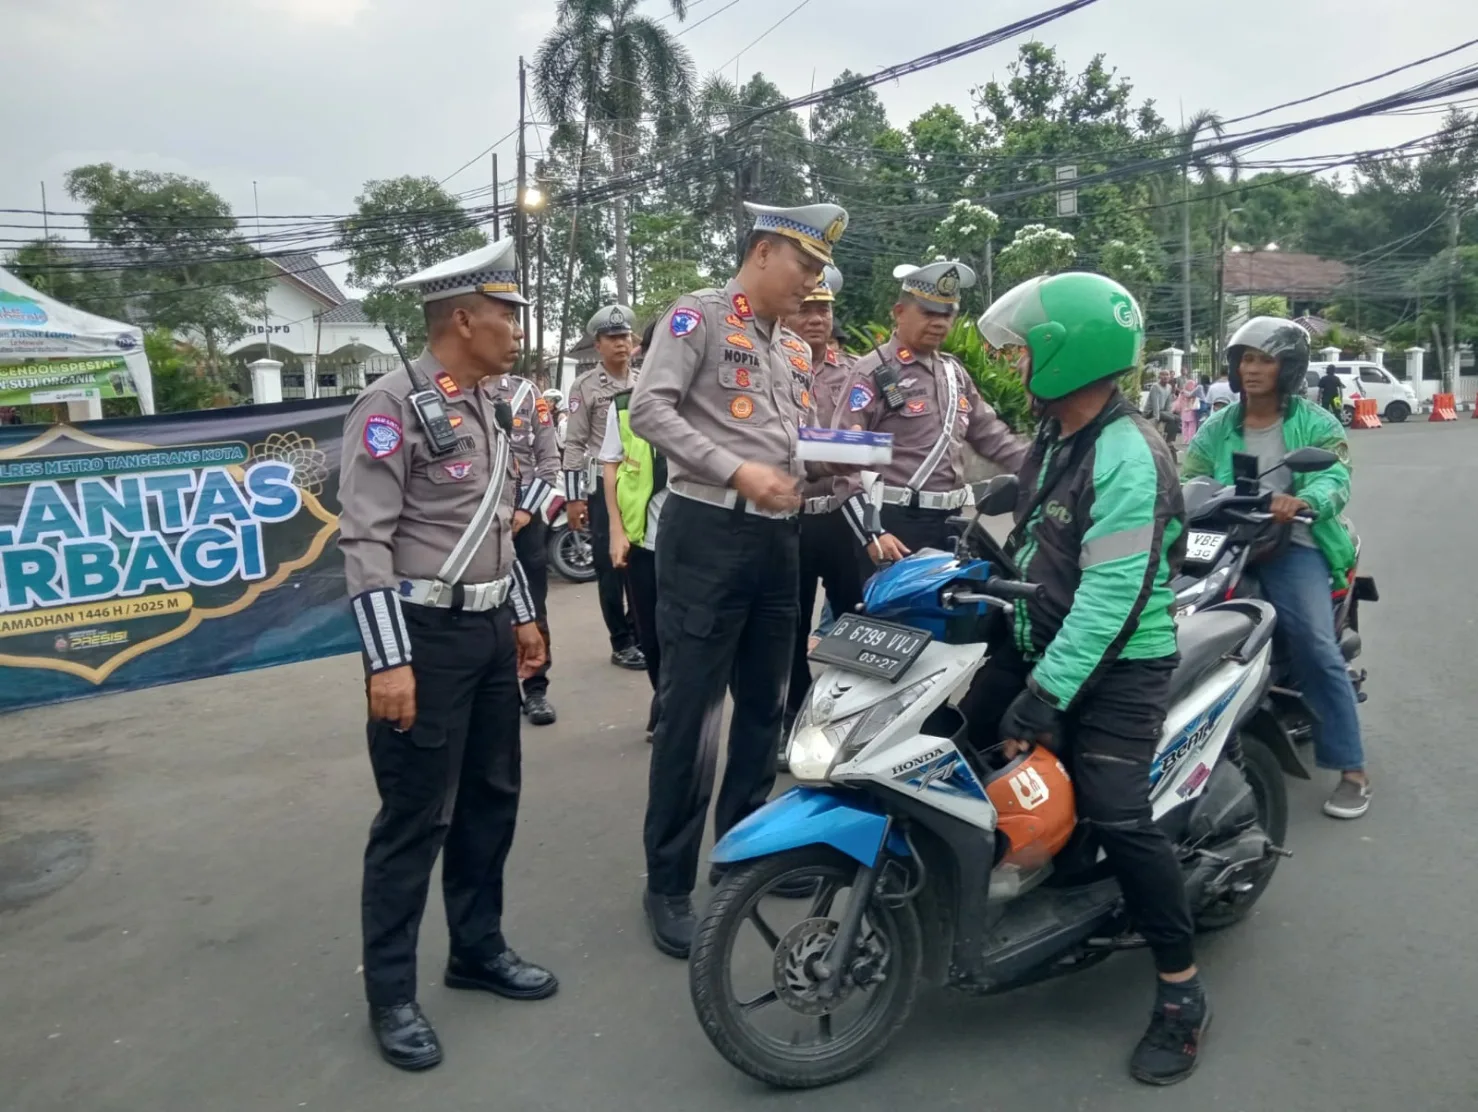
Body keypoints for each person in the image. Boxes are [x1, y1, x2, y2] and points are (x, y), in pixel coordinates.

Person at [958, 271, 1206, 1086]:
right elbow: (1038, 544)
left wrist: (1048, 692)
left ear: (1070, 354)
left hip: (1120, 667)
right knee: (962, 734)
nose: (1019, 362)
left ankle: (1179, 993)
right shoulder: (1058, 438)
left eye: (1029, 349)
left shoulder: (1131, 452)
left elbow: (1110, 598)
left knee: (1118, 810)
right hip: (1046, 643)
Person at [338, 239, 557, 1072]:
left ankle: (477, 949)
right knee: (413, 818)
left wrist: (527, 618)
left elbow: (497, 527)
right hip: (419, 642)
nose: (514, 330)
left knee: (491, 799)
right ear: (463, 319)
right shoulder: (389, 407)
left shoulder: (489, 404)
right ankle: (391, 995)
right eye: (505, 315)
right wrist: (388, 663)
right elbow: (365, 542)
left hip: (489, 629)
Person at [629, 200, 850, 957]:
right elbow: (647, 410)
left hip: (776, 542)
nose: (813, 284)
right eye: (806, 266)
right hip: (708, 532)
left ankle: (744, 849)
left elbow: (784, 446)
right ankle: (666, 882)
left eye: (821, 272)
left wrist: (837, 466)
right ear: (762, 250)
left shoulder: (789, 349)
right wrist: (736, 471)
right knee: (693, 713)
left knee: (767, 704)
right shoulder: (696, 318)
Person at [1183, 317, 1371, 819]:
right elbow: (1190, 477)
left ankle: (1351, 769)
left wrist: (1301, 500)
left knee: (1314, 644)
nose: (1253, 369)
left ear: (1288, 367)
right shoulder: (1217, 427)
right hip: (1222, 546)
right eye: (1246, 358)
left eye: (1265, 359)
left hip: (1296, 545)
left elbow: (1335, 477)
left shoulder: (1317, 424)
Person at [832, 260, 1030, 565]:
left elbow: (990, 434)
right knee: (895, 614)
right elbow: (844, 464)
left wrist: (1040, 466)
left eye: (947, 313)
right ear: (899, 312)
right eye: (928, 312)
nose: (940, 323)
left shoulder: (954, 372)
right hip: (894, 524)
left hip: (950, 523)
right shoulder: (871, 372)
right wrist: (872, 532)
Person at [781, 264, 865, 740]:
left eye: (824, 310)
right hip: (788, 518)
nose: (816, 319)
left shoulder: (855, 372)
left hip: (840, 517)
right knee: (787, 626)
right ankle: (792, 718)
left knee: (858, 619)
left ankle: (851, 715)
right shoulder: (772, 367)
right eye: (808, 309)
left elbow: (870, 444)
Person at [561, 306, 645, 671]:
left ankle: (639, 631)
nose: (621, 344)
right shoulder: (585, 387)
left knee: (642, 563)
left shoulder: (643, 382)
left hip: (640, 485)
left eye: (625, 337)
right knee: (611, 567)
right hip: (600, 485)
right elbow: (575, 444)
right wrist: (573, 497)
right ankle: (621, 641)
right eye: (612, 338)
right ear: (598, 345)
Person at [598, 320, 667, 743]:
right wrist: (616, 531)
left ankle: (677, 710)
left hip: (699, 546)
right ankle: (665, 699)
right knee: (652, 635)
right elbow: (611, 464)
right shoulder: (624, 405)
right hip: (645, 541)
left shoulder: (709, 403)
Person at [489, 371, 564, 726]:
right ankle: (501, 692)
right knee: (487, 611)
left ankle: (535, 690)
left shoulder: (527, 393)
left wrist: (523, 510)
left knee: (532, 606)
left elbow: (548, 462)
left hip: (525, 517)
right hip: (475, 523)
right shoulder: (451, 387)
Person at [1174, 376, 1203, 442]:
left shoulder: (1182, 393)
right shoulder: (1194, 393)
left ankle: (1185, 440)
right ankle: (1190, 440)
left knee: (1184, 427)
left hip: (1184, 412)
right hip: (1192, 412)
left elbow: (1179, 402)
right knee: (1192, 427)